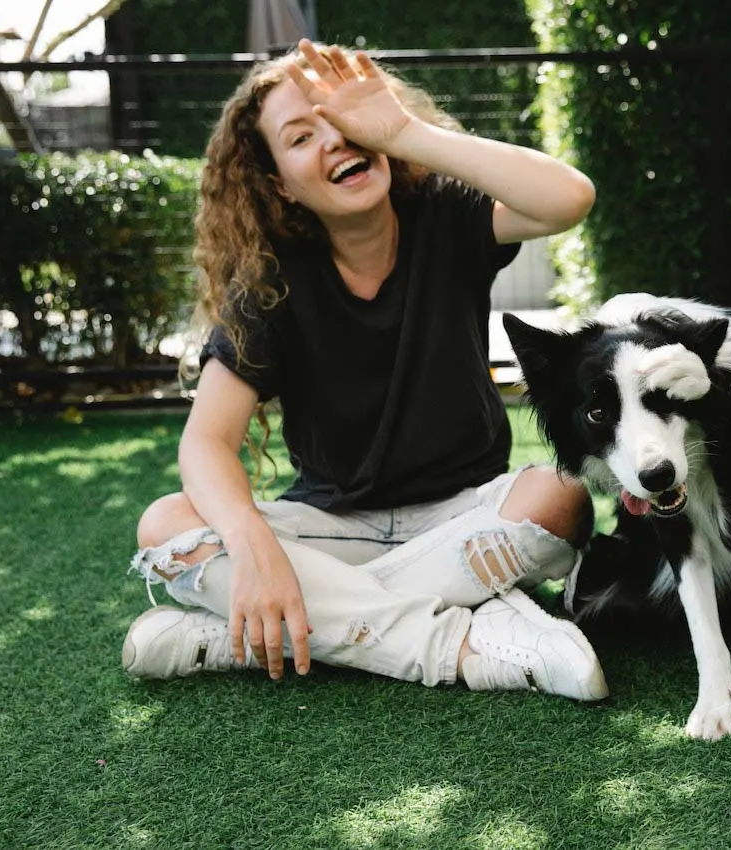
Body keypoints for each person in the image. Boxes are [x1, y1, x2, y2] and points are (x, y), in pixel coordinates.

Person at [120, 40, 607, 702]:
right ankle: (456, 646)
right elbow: (205, 441)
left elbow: (568, 198)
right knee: (166, 525)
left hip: (463, 516)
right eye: (300, 136)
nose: (334, 141)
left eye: (341, 120)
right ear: (280, 185)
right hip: (334, 527)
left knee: (560, 497)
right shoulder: (270, 282)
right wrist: (255, 547)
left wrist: (406, 132)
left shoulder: (446, 213)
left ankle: (246, 637)